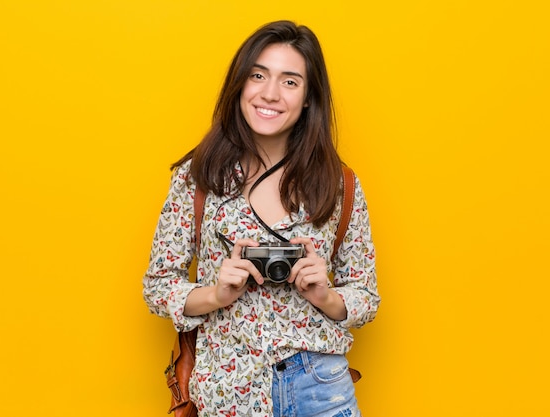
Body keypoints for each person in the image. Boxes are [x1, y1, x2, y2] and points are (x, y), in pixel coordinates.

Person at [143, 20, 380, 417]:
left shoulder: (338, 183)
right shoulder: (198, 177)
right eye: (258, 75)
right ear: (239, 85)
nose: (270, 93)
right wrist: (216, 295)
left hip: (319, 388)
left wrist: (325, 295)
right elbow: (157, 286)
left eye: (290, 81)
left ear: (308, 97)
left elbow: (366, 297)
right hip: (228, 390)